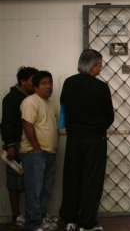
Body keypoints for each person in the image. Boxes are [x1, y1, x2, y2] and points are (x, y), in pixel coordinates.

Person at [59, 49, 114, 231]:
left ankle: (70, 220)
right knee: (91, 180)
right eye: (99, 64)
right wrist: (98, 127)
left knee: (72, 178)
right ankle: (87, 223)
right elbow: (109, 117)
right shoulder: (100, 87)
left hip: (74, 139)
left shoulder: (69, 83)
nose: (101, 67)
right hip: (95, 140)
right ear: (92, 66)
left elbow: (64, 108)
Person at [20, 71, 59, 231]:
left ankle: (41, 219)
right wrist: (36, 148)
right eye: (43, 83)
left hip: (49, 153)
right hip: (34, 154)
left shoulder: (51, 103)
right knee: (34, 190)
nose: (48, 86)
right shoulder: (30, 101)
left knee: (45, 190)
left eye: (50, 82)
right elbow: (27, 125)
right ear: (35, 87)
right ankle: (33, 225)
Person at [1, 66, 38, 229]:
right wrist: (10, 145)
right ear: (23, 82)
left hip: (30, 145)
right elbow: (7, 124)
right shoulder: (12, 98)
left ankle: (31, 215)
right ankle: (16, 215)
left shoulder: (34, 98)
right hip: (15, 145)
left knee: (32, 182)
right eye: (33, 80)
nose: (36, 84)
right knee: (15, 183)